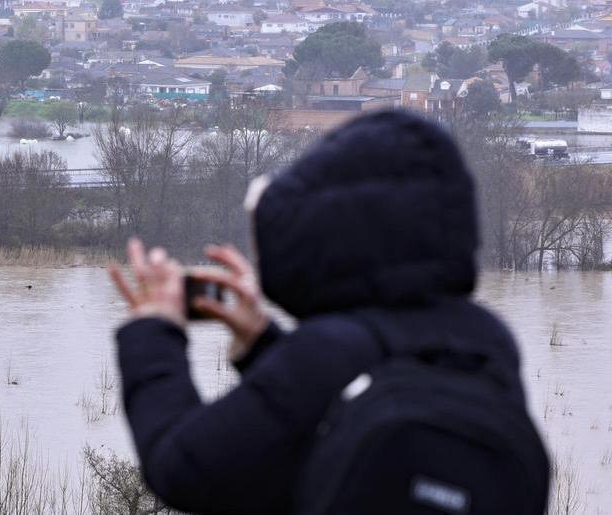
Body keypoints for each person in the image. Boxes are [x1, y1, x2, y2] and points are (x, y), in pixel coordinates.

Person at [110, 109, 549, 514]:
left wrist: (154, 331)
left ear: (322, 241)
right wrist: (263, 343)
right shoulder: (488, 336)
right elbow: (345, 430)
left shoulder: (326, 351)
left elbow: (180, 469)